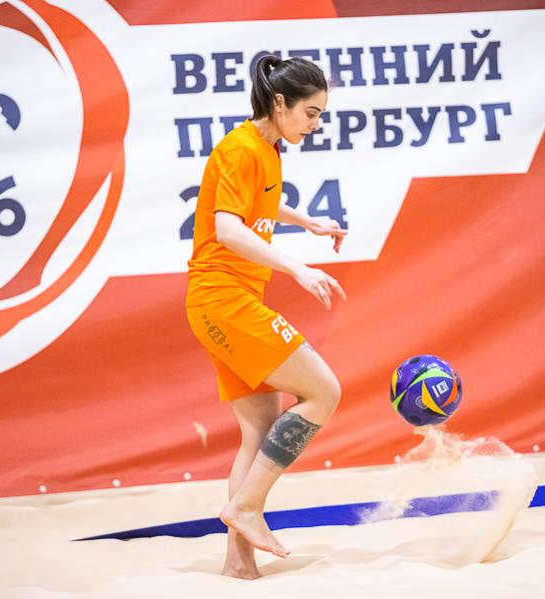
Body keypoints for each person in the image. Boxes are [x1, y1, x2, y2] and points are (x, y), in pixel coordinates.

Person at [185, 55, 347, 579]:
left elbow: (259, 205)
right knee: (324, 392)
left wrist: (308, 222)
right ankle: (246, 507)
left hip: (224, 301)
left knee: (258, 433)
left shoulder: (267, 148)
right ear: (280, 103)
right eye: (311, 113)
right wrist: (298, 267)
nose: (315, 124)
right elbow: (229, 229)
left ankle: (239, 565)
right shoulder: (241, 148)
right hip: (223, 299)